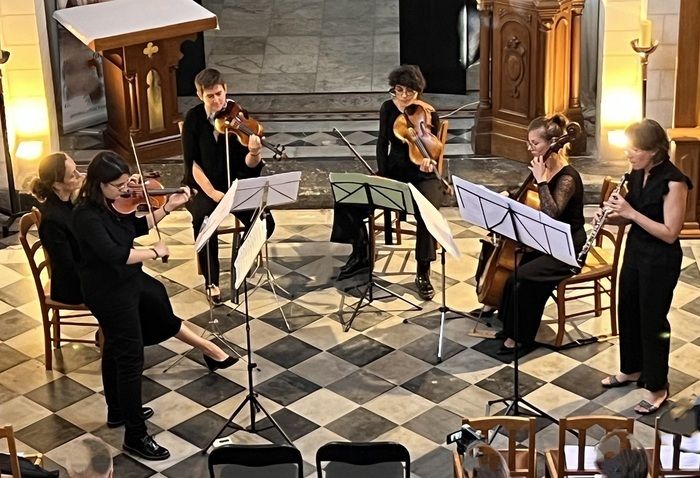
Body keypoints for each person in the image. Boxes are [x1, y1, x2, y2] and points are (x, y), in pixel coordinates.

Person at [72, 152, 237, 460]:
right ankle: (135, 436)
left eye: (126, 182)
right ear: (100, 183)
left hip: (126, 282)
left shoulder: (105, 205)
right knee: (131, 359)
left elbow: (131, 227)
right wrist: (153, 251)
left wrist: (170, 208)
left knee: (117, 346)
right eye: (119, 184)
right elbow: (114, 254)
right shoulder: (85, 216)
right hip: (109, 291)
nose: (125, 189)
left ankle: (118, 410)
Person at [600, 119, 691, 415]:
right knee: (627, 310)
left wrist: (629, 212)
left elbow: (669, 232)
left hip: (660, 260)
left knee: (653, 321)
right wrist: (611, 217)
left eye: (635, 150)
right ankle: (631, 369)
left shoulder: (674, 181)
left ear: (654, 151)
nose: (629, 154)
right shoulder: (637, 173)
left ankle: (657, 386)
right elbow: (631, 215)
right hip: (636, 252)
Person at [330, 64, 444, 300]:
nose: (403, 97)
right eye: (399, 90)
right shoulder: (388, 108)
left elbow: (433, 149)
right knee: (347, 199)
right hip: (394, 172)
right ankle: (360, 252)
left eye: (409, 92)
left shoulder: (429, 112)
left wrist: (428, 161)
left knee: (428, 212)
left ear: (418, 92)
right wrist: (381, 173)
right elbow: (382, 143)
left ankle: (423, 270)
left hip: (423, 176)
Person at [182, 68, 275, 304]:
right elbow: (192, 164)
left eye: (220, 94)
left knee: (265, 220)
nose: (217, 101)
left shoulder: (239, 115)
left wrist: (254, 152)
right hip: (205, 186)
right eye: (210, 96)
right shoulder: (194, 119)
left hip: (235, 183)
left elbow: (249, 165)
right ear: (199, 95)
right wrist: (213, 193)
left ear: (226, 90)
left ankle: (241, 260)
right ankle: (211, 280)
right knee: (203, 221)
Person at [497, 113, 586, 354]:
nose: (530, 148)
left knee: (524, 277)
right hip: (549, 242)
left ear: (553, 144)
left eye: (534, 143)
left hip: (568, 249)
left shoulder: (568, 178)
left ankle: (522, 337)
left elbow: (552, 214)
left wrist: (542, 182)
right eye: (529, 142)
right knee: (514, 269)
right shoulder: (544, 167)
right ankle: (510, 326)